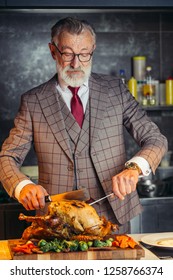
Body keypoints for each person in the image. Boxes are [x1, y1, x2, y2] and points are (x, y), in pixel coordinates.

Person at [0, 17, 167, 233]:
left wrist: (134, 169)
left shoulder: (115, 90)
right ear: (53, 51)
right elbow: (7, 157)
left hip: (114, 216)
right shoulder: (33, 101)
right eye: (67, 54)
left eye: (84, 54)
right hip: (56, 221)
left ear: (93, 50)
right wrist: (23, 186)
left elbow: (155, 139)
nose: (76, 64)